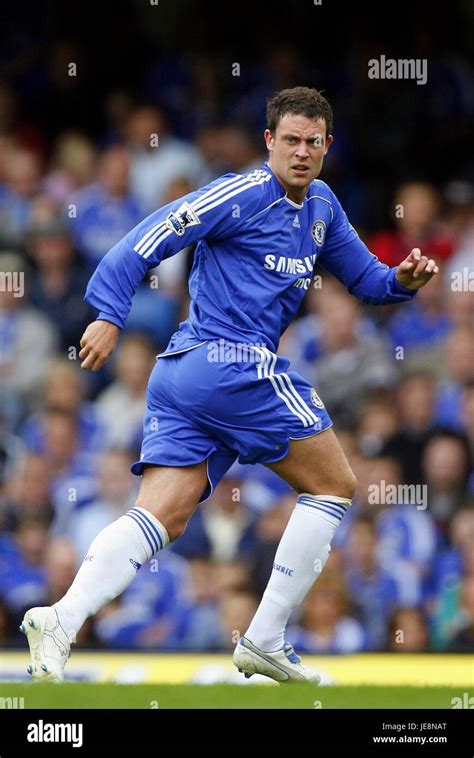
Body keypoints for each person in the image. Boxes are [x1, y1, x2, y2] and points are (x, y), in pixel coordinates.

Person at [21, 86, 439, 683]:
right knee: (336, 484)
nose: (300, 152)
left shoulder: (322, 207)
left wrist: (401, 279)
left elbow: (367, 280)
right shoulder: (244, 192)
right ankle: (267, 637)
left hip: (188, 379)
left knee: (162, 515)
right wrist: (110, 313)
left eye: (311, 142)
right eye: (289, 140)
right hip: (226, 361)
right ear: (269, 141)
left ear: (327, 146)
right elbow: (155, 231)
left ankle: (61, 617)